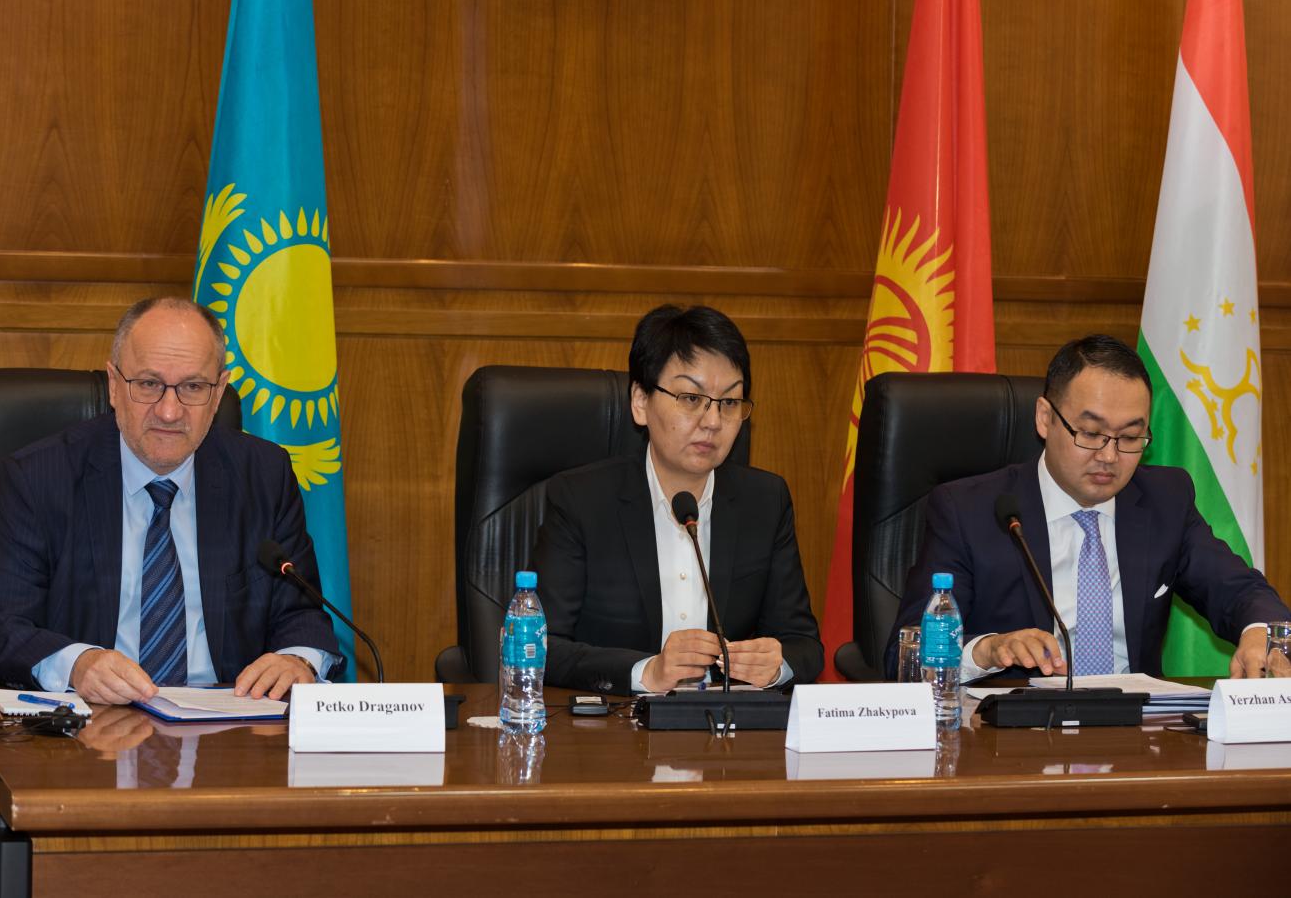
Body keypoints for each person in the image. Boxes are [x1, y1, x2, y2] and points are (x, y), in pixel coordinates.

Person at [0, 297, 340, 704]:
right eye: (148, 384)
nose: (170, 411)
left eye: (193, 387)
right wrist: (77, 664)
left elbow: (301, 613)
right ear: (114, 385)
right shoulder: (37, 479)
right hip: (92, 722)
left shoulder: (263, 475)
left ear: (218, 393)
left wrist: (296, 660)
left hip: (228, 722)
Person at [885, 334, 1291, 681]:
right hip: (1013, 736)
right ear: (1045, 418)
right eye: (1092, 433)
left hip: (1138, 733)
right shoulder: (968, 510)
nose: (1109, 456)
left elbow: (1242, 590)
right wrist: (987, 650)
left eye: (1129, 437)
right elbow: (905, 653)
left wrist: (1260, 632)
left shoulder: (1165, 500)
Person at [531, 304, 823, 694]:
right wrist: (647, 672)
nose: (713, 421)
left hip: (727, 725)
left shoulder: (765, 502)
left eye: (729, 403)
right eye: (690, 398)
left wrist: (775, 666)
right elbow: (541, 647)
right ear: (640, 402)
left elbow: (804, 645)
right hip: (616, 723)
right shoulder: (580, 500)